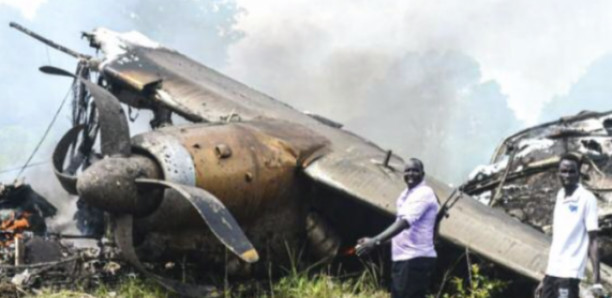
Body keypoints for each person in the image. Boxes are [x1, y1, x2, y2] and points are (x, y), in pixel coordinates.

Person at [355, 158, 439, 298]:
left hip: (414, 260)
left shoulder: (424, 193)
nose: (410, 173)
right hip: (404, 260)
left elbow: (404, 223)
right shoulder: (405, 195)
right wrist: (375, 242)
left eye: (415, 170)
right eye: (407, 170)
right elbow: (403, 232)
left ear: (422, 174)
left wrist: (374, 241)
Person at [535, 153, 604, 298]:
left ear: (579, 173)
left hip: (570, 273)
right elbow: (559, 241)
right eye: (564, 171)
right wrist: (547, 276)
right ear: (558, 173)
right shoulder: (560, 195)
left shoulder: (586, 198)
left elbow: (593, 240)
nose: (567, 175)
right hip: (553, 272)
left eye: (572, 171)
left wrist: (597, 281)